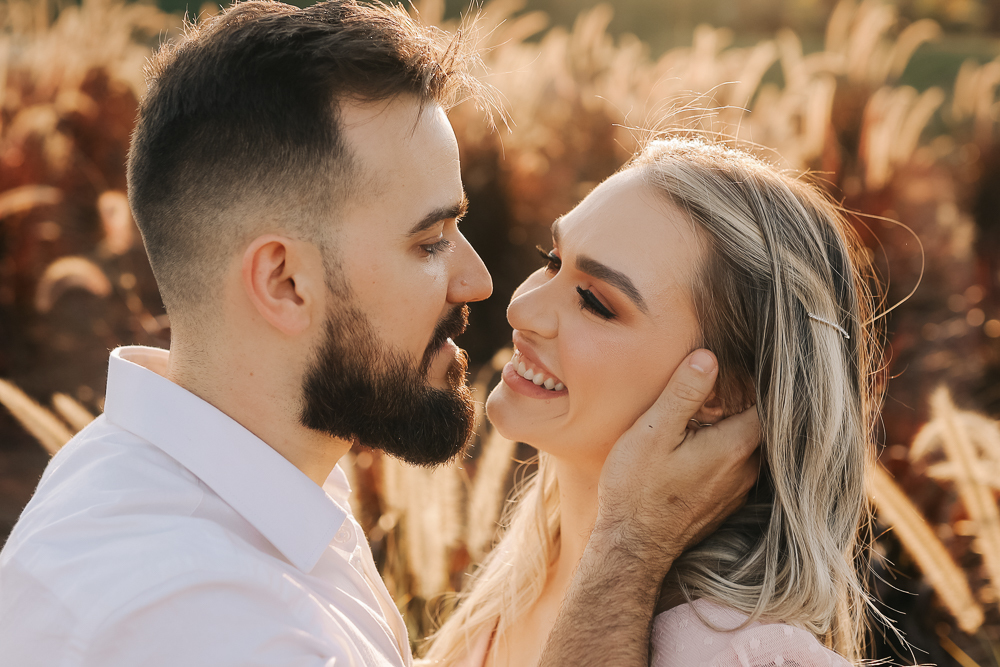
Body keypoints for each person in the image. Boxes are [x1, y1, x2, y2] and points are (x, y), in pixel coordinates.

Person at [0, 3, 760, 666]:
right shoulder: (203, 623)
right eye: (429, 242)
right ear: (284, 282)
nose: (482, 284)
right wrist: (625, 554)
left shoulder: (231, 477)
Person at [424, 137, 882, 667]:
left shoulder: (740, 655)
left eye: (595, 302)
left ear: (722, 395)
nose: (523, 309)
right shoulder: (516, 584)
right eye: (552, 261)